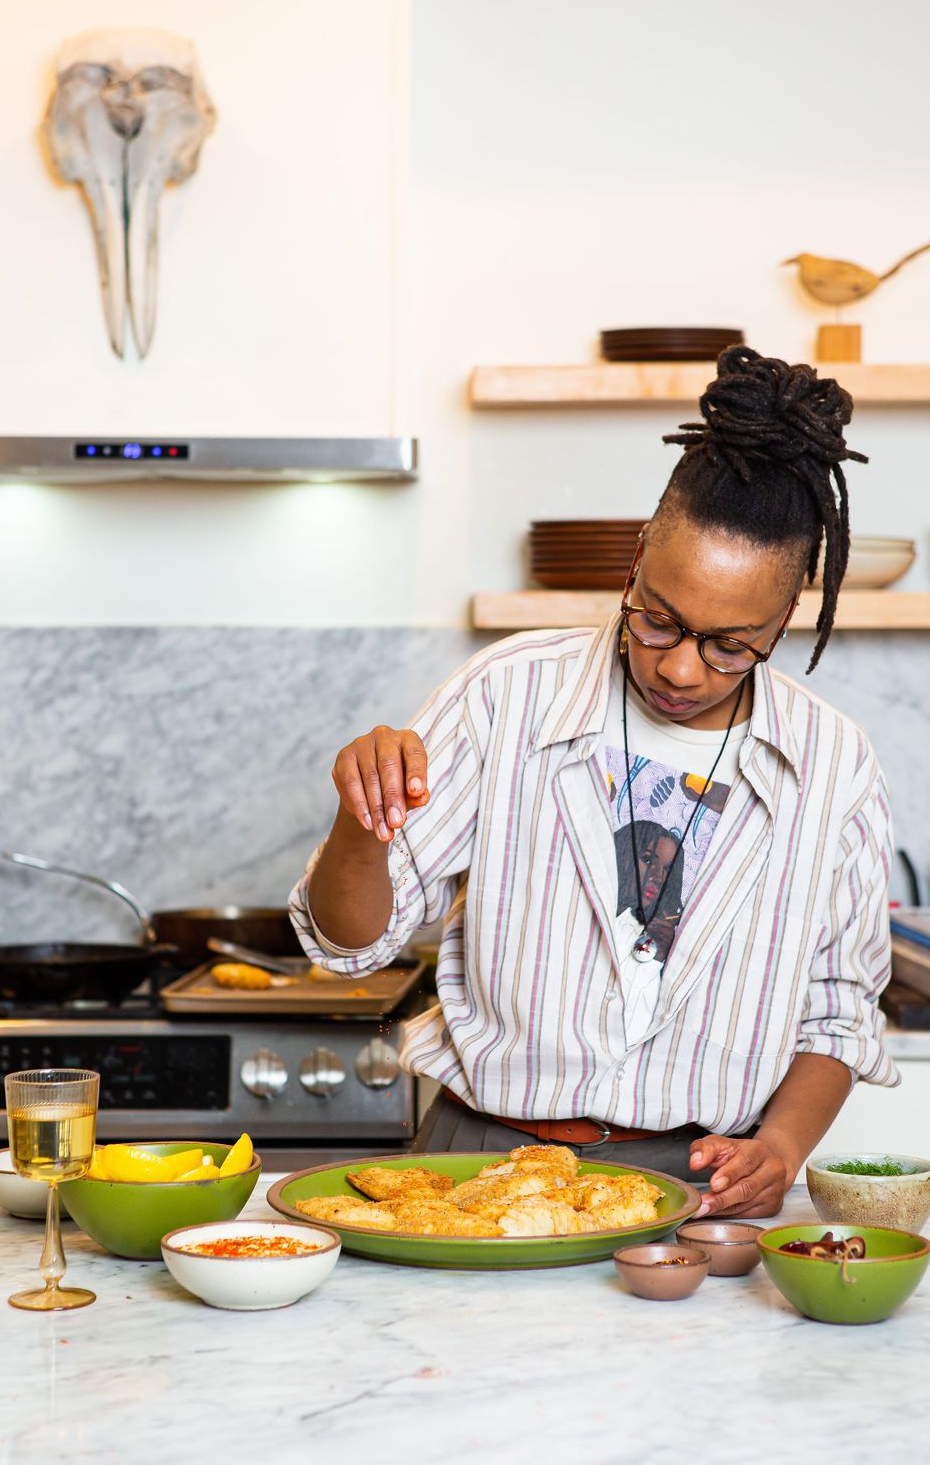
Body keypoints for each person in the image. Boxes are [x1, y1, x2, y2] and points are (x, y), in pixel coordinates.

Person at [289, 346, 897, 1219]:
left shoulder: (831, 764)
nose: (682, 669)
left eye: (731, 645)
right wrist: (362, 821)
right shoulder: (509, 694)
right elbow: (348, 947)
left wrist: (781, 1147)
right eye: (658, 619)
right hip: (476, 1166)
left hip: (696, 1189)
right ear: (637, 557)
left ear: (788, 614)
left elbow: (837, 1016)